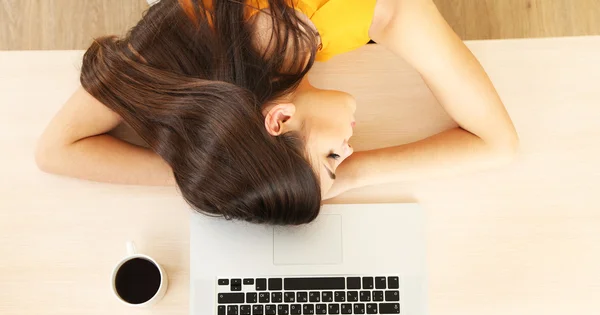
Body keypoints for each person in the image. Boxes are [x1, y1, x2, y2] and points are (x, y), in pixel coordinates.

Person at [35, 0, 518, 225]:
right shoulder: (186, 40)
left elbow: (500, 143)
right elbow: (54, 151)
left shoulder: (377, 9)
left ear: (280, 119)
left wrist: (344, 177)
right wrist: (219, 171)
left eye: (334, 155)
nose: (349, 150)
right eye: (339, 160)